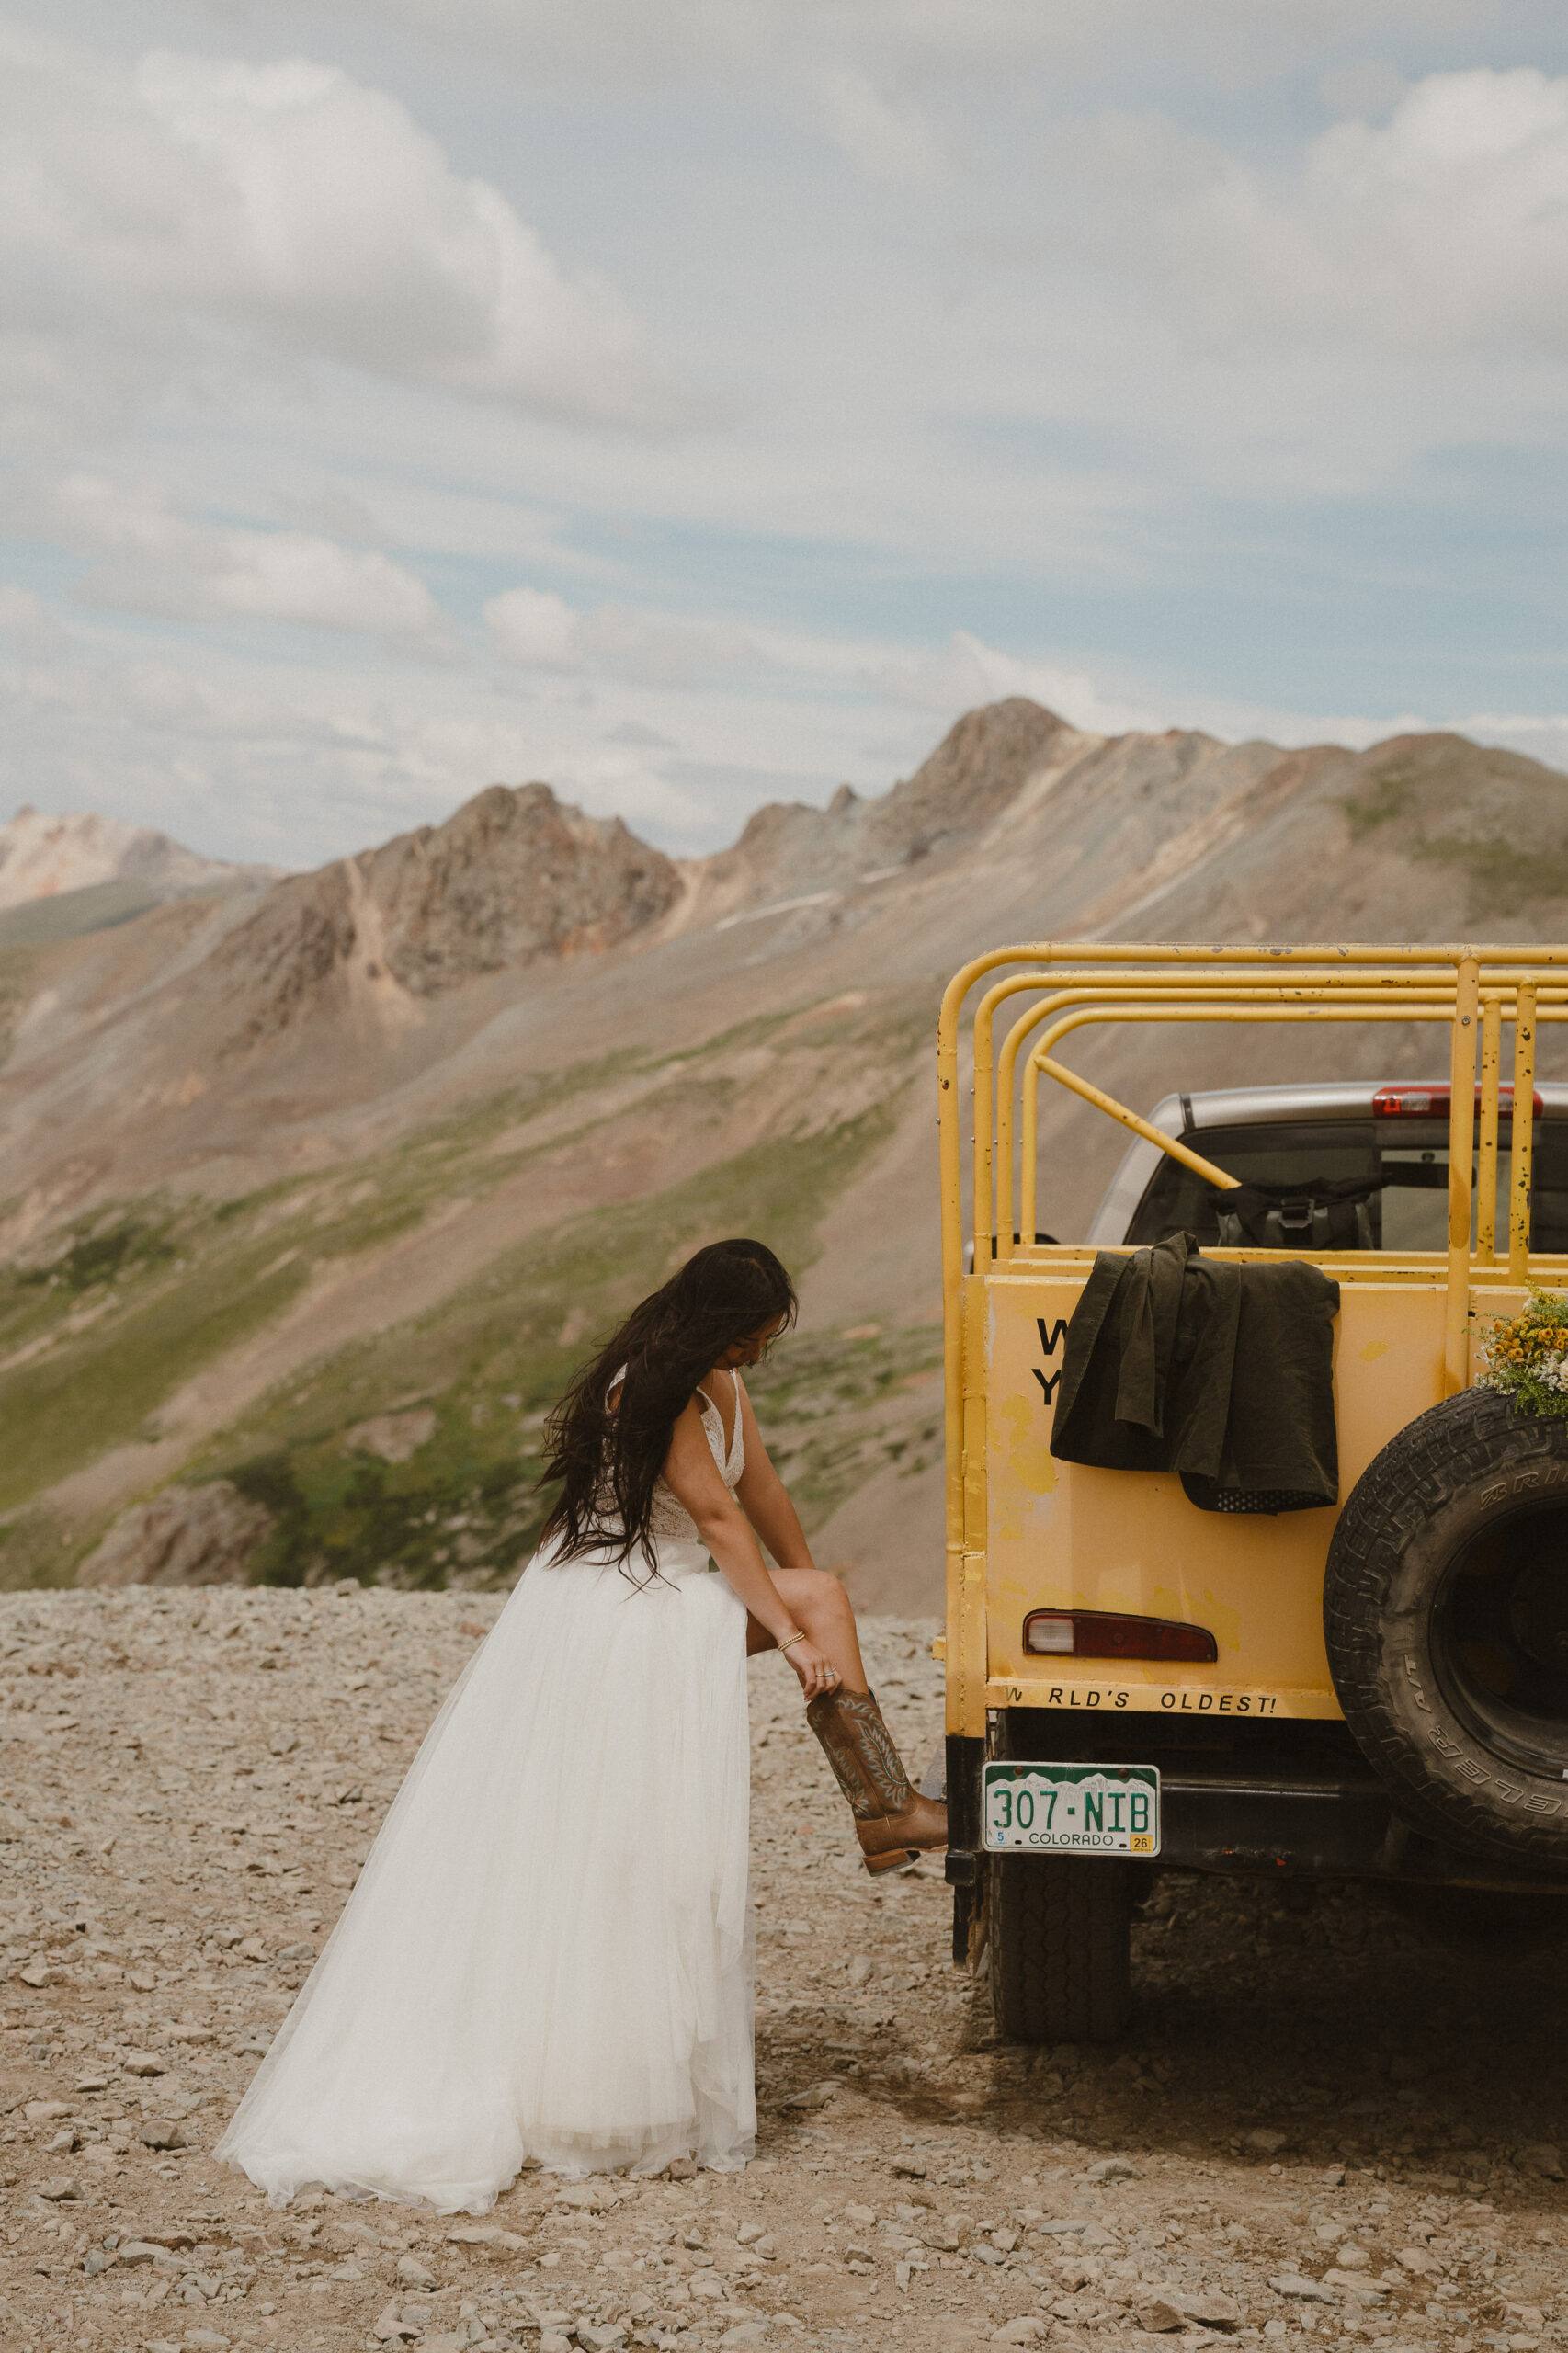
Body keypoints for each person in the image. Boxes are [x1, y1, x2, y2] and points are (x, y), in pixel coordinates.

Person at [215, 1238, 945, 2213]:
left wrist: (806, 1601)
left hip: (663, 1593)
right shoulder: (653, 1385)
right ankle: (884, 1809)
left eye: (763, 1341)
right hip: (616, 1611)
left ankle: (883, 1809)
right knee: (620, 1846)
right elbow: (718, 1521)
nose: (756, 1356)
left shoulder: (718, 1383)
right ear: (712, 1326)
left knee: (812, 1606)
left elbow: (762, 1495)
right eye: (747, 1339)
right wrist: (786, 1618)